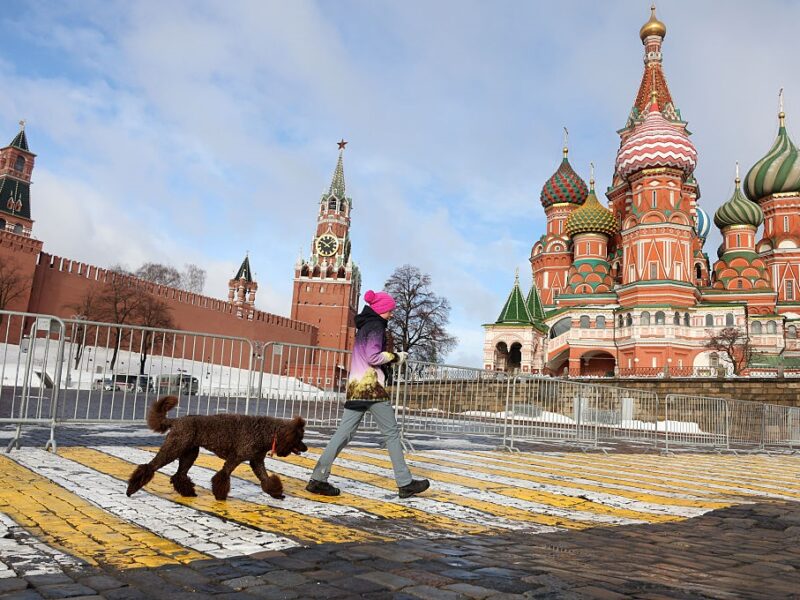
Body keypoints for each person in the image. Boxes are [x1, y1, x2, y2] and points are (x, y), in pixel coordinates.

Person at [306, 289, 430, 499]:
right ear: (382, 309)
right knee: (391, 434)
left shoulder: (364, 326)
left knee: (343, 434)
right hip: (371, 388)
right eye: (390, 310)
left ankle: (318, 478)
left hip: (356, 387)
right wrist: (395, 357)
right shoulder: (376, 326)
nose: (392, 314)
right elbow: (373, 356)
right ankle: (405, 482)